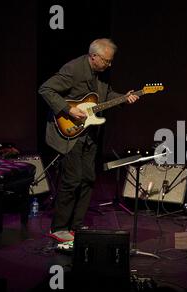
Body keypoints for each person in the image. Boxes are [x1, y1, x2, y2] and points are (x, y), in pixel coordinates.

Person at [39, 38, 139, 242]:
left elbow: (106, 95)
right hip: (69, 134)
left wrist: (124, 98)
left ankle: (76, 226)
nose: (109, 64)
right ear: (94, 56)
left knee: (88, 179)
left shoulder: (100, 75)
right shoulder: (74, 69)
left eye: (111, 61)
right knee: (72, 180)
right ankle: (58, 228)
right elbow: (46, 89)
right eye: (106, 61)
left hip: (89, 135)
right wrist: (69, 109)